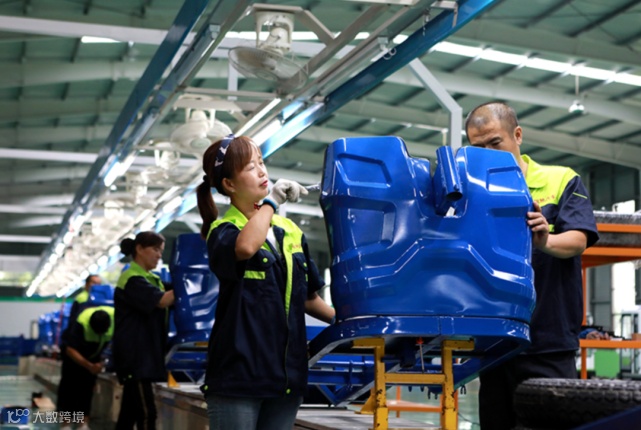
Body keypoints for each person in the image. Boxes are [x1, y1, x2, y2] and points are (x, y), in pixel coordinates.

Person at [465, 101, 600, 430]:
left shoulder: (561, 180)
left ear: (517, 135)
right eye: (478, 148)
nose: (489, 154)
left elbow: (579, 239)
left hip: (548, 343)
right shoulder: (470, 193)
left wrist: (545, 242)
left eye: (495, 143)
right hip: (496, 343)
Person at [195, 135, 335, 430]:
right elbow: (247, 247)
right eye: (250, 167)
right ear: (229, 184)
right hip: (239, 377)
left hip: (286, 377)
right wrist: (271, 202)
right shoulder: (223, 231)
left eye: (261, 163)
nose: (262, 171)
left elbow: (308, 298)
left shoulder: (290, 230)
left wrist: (348, 322)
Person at [112, 231, 175, 430]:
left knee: (129, 413)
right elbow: (162, 300)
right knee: (147, 414)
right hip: (135, 358)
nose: (159, 255)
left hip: (143, 356)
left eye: (161, 251)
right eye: (155, 249)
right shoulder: (132, 279)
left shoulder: (151, 279)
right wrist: (188, 280)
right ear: (139, 249)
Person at [57, 306, 113, 430]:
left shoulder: (116, 318)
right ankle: (66, 423)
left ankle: (82, 423)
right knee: (69, 388)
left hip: (95, 353)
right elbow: (70, 350)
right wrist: (89, 366)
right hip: (74, 355)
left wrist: (102, 363)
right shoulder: (80, 324)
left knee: (87, 389)